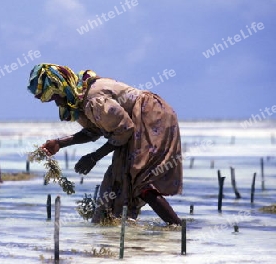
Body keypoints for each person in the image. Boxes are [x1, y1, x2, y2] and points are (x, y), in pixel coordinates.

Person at [27, 63, 182, 225]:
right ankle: (117, 237)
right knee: (116, 184)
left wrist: (94, 157)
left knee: (139, 181)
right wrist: (59, 143)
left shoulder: (93, 99)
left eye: (54, 98)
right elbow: (94, 130)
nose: (57, 103)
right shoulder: (81, 96)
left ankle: (177, 228)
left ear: (59, 87)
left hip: (150, 117)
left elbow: (124, 130)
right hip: (140, 120)